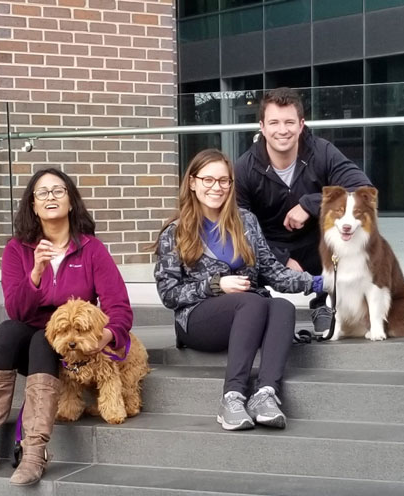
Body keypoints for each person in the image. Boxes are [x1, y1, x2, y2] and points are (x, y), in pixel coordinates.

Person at [0, 168, 133, 485]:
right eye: (42, 193)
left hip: (69, 347)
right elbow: (16, 309)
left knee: (43, 343)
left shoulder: (91, 250)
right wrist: (35, 273)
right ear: (32, 205)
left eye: (58, 191)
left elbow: (119, 307)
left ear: (71, 201)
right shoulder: (17, 249)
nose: (50, 197)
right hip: (27, 338)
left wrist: (106, 336)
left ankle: (34, 452)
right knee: (8, 330)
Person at [155, 148, 323, 431]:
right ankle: (232, 397)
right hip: (197, 321)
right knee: (253, 302)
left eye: (224, 180)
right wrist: (215, 285)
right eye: (208, 180)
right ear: (193, 182)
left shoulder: (246, 221)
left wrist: (320, 282)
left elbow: (273, 271)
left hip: (247, 314)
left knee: (282, 306)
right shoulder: (176, 232)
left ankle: (266, 393)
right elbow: (169, 294)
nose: (216, 187)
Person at [234, 87, 371, 306]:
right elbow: (237, 228)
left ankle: (328, 305)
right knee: (236, 252)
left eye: (289, 122)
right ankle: (257, 308)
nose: (282, 130)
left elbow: (363, 193)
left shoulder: (322, 152)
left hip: (316, 244)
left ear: (301, 124)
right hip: (268, 248)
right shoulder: (244, 168)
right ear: (262, 127)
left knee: (352, 229)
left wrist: (311, 204)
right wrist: (280, 258)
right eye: (274, 123)